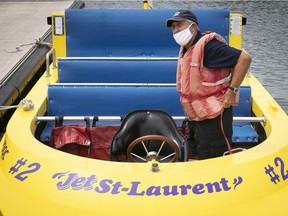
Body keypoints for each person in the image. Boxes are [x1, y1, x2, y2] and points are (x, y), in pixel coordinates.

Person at [166, 9, 252, 159]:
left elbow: (244, 59)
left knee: (213, 155)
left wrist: (232, 90)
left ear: (193, 27)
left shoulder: (209, 47)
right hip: (197, 116)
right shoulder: (186, 49)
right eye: (173, 27)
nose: (176, 30)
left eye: (179, 25)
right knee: (198, 150)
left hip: (215, 116)